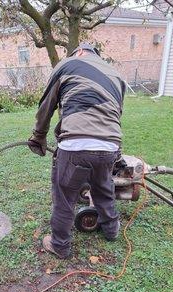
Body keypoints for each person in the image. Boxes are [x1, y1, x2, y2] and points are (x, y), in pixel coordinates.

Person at [28, 42, 126, 259]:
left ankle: (59, 245)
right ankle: (111, 230)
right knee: (103, 187)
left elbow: (46, 106)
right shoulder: (116, 75)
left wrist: (38, 137)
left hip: (76, 146)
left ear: (79, 52)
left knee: (65, 196)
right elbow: (116, 113)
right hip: (110, 145)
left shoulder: (68, 64)